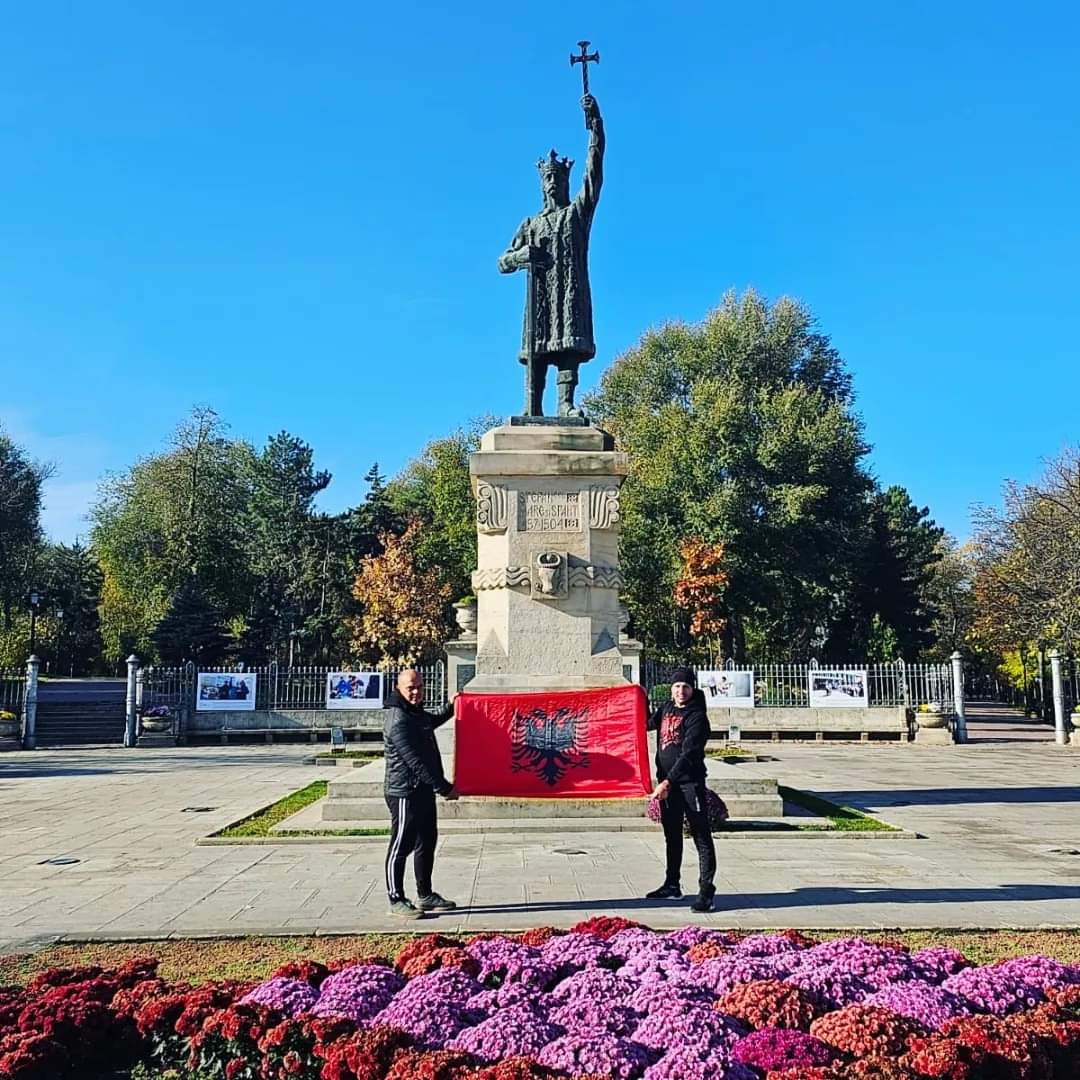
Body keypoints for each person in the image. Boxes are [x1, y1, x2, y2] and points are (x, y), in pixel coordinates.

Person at [383, 668, 460, 918]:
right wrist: (444, 787)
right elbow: (415, 762)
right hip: (404, 791)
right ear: (399, 689)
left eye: (419, 687)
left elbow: (430, 720)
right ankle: (396, 898)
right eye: (410, 688)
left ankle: (425, 895)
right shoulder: (398, 719)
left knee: (426, 841)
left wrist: (451, 706)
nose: (416, 692)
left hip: (422, 790)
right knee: (400, 845)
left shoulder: (413, 712)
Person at [645, 667, 717, 913]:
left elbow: (689, 754)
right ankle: (672, 884)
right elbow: (645, 724)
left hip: (689, 783)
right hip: (667, 784)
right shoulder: (666, 708)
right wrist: (637, 697)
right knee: (671, 834)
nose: (680, 691)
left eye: (685, 686)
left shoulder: (697, 716)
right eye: (677, 686)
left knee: (700, 836)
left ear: (692, 688)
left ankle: (706, 891)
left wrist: (668, 782)